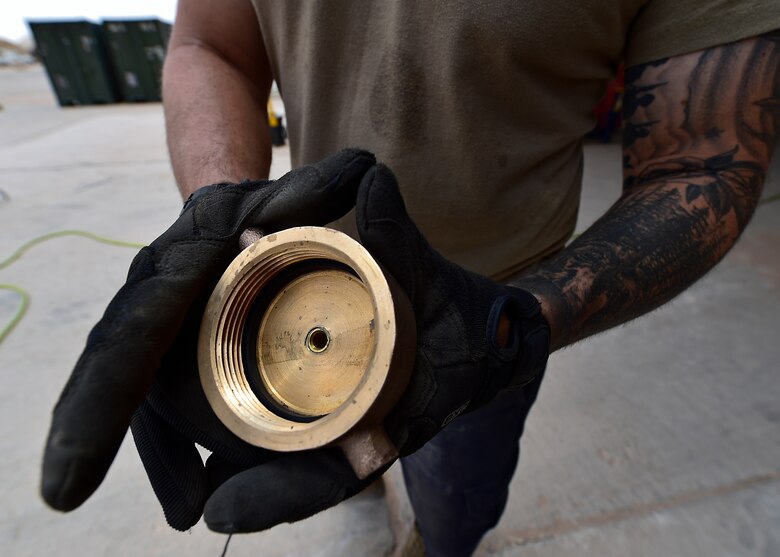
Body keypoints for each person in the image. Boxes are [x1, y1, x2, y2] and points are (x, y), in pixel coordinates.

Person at [41, 2, 780, 556]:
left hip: (485, 321)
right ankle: (362, 478)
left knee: (456, 504)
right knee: (329, 454)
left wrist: (520, 324)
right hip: (297, 284)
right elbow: (211, 44)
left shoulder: (496, 327)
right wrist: (226, 221)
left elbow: (704, 159)